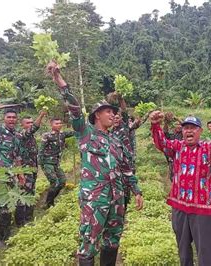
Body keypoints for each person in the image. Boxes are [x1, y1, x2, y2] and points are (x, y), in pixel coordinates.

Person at [46, 61, 143, 266]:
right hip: (95, 199)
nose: (112, 114)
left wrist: (136, 191)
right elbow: (74, 110)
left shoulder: (115, 140)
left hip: (116, 198)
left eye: (113, 112)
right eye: (108, 111)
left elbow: (126, 169)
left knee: (112, 240)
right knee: (89, 242)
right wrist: (60, 81)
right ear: (97, 115)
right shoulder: (86, 134)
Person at [150, 111, 211, 266]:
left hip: (202, 210)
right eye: (186, 127)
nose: (189, 130)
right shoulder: (176, 147)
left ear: (200, 131)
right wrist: (155, 124)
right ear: (182, 131)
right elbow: (161, 143)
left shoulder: (208, 148)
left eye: (193, 128)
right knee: (183, 249)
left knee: (205, 250)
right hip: (180, 208)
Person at [0, 94, 22, 247]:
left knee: (10, 201)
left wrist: (20, 174)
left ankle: (6, 234)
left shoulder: (16, 136)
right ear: (4, 119)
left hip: (11, 172)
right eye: (9, 117)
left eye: (14, 117)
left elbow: (17, 156)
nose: (11, 120)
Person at [15, 111, 46, 226]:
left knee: (31, 192)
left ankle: (28, 218)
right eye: (28, 123)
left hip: (32, 168)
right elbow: (34, 128)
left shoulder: (31, 137)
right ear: (22, 125)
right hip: (24, 169)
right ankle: (20, 221)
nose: (30, 124)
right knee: (23, 194)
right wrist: (41, 115)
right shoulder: (22, 134)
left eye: (31, 122)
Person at [39, 117, 74, 208]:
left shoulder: (62, 134)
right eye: (56, 123)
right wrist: (40, 163)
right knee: (54, 182)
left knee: (62, 182)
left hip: (56, 163)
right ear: (51, 125)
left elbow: (75, 132)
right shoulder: (47, 135)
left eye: (60, 123)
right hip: (47, 162)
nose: (59, 125)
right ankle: (47, 203)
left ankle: (51, 200)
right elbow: (41, 149)